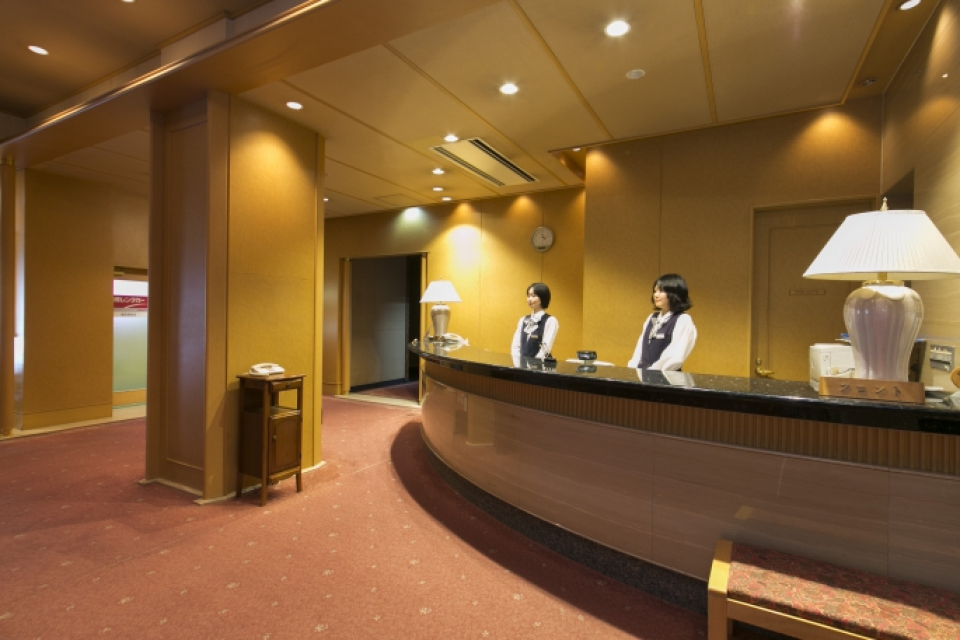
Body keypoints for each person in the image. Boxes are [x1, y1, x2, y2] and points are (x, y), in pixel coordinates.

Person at [627, 274, 697, 371]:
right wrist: (632, 371)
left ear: (674, 293)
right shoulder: (651, 318)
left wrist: (652, 373)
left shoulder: (683, 320)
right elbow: (639, 350)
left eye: (661, 291)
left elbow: (676, 357)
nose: (656, 295)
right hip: (643, 375)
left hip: (666, 377)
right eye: (655, 291)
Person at [511, 282, 559, 359]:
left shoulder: (550, 321)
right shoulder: (523, 320)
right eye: (528, 296)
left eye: (533, 296)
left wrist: (533, 364)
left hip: (540, 365)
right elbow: (515, 345)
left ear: (542, 297)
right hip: (521, 364)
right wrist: (518, 362)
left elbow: (545, 349)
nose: (530, 299)